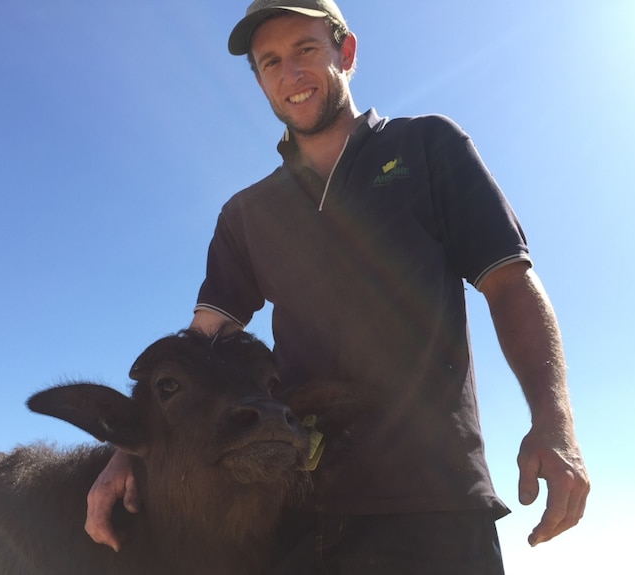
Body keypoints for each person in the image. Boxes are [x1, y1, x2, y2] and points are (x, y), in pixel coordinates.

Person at [86, 1, 590, 572]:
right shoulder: (247, 213)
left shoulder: (427, 147)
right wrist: (128, 450)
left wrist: (554, 421)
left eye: (305, 50)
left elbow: (510, 283)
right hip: (299, 509)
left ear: (344, 53)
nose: (290, 75)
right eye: (269, 62)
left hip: (434, 503)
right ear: (258, 81)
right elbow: (200, 347)